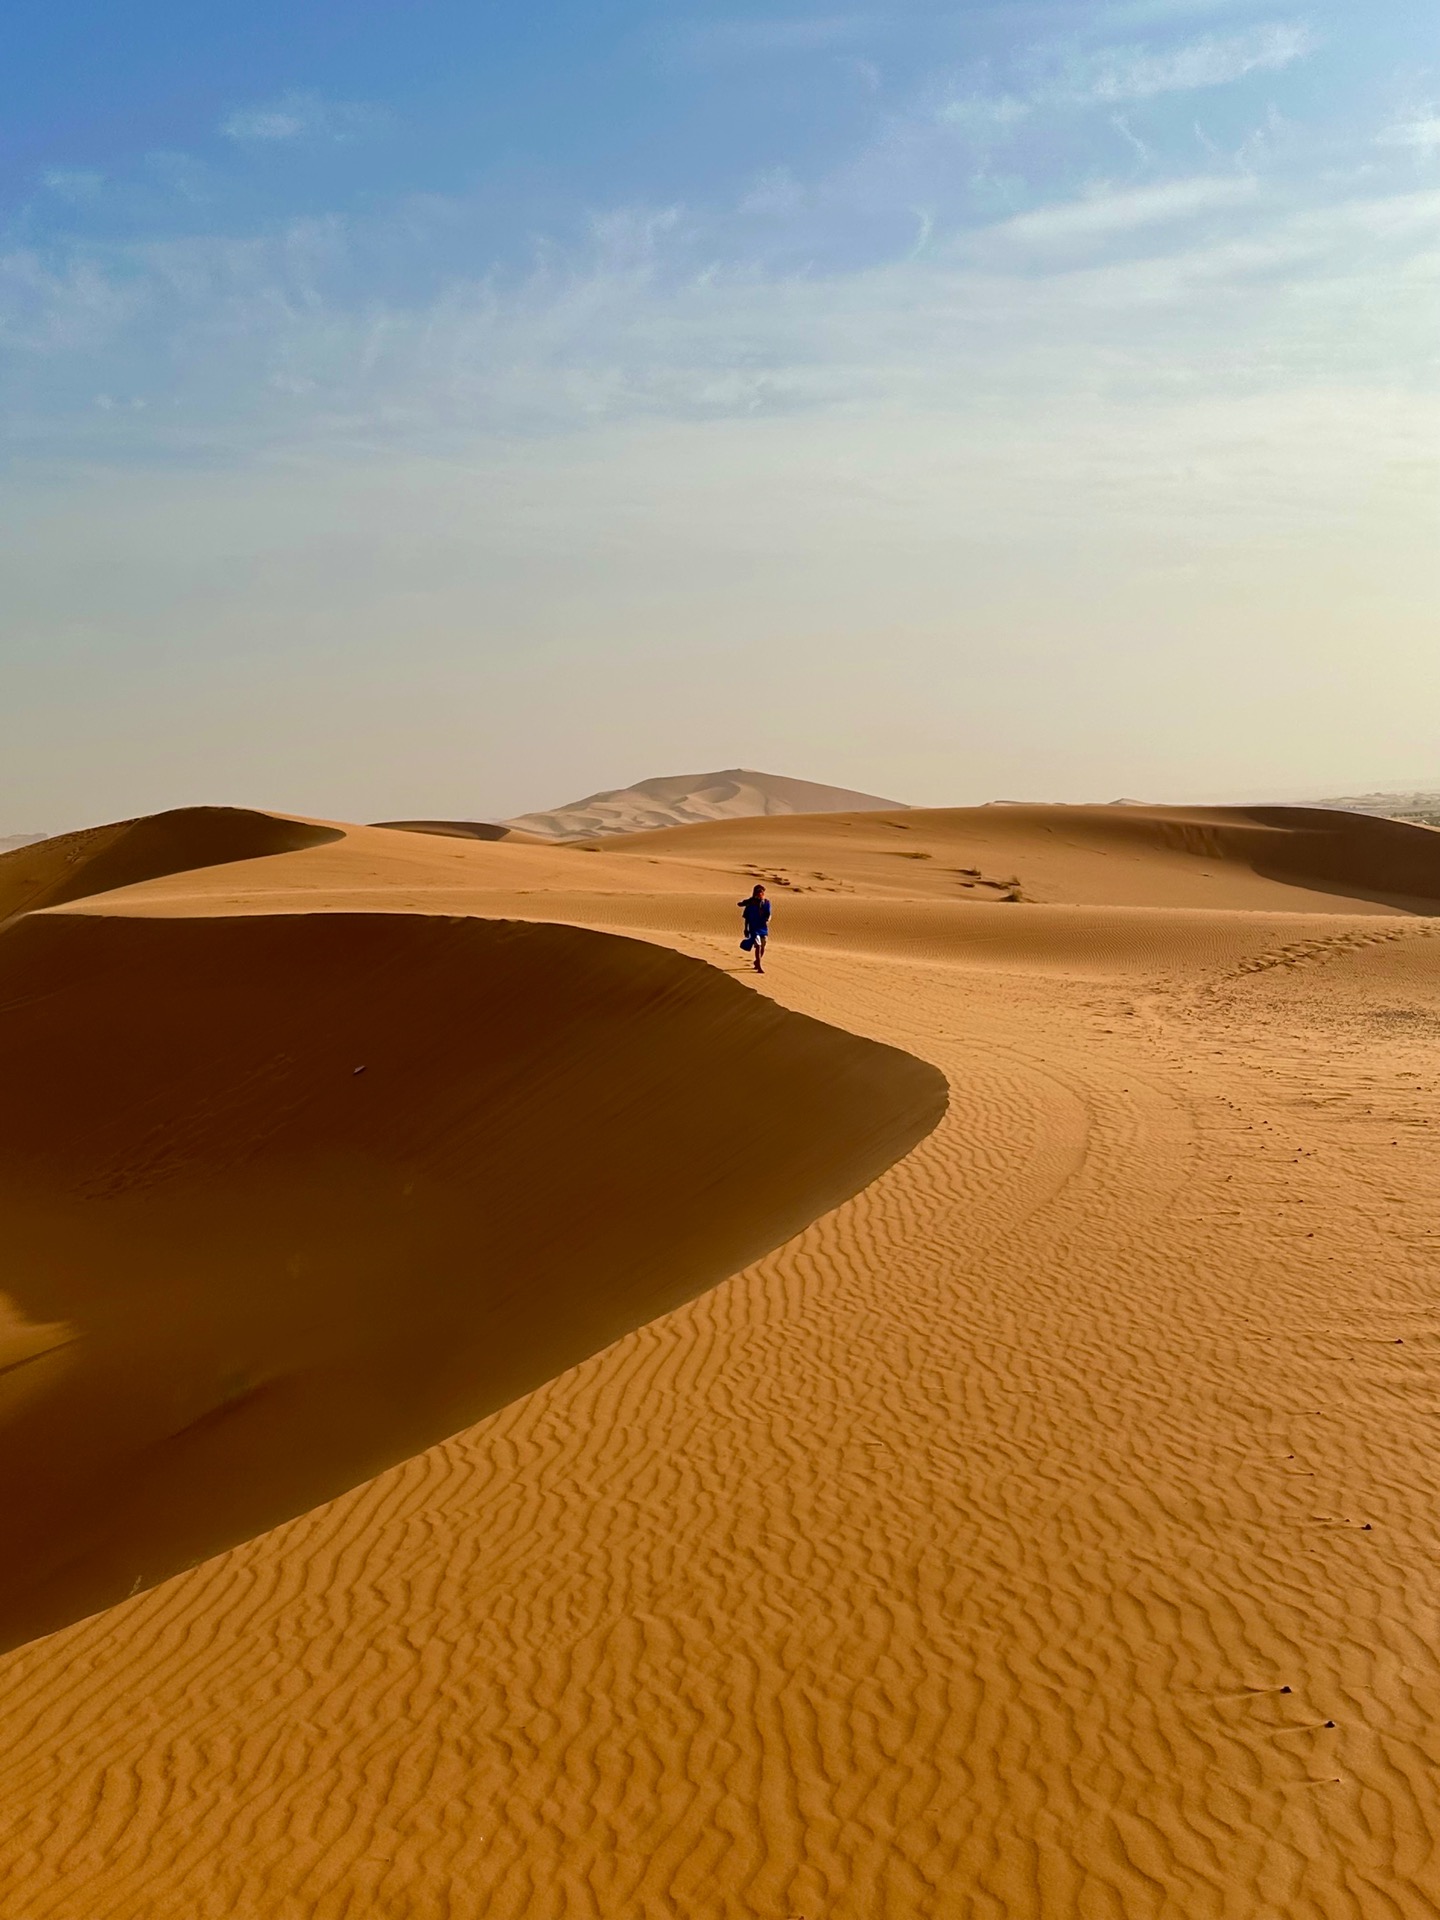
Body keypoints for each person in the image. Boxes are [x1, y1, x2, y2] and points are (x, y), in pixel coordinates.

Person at [738, 883, 771, 973]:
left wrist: (767, 918)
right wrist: (746, 929)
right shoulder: (750, 904)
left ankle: (757, 961)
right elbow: (747, 918)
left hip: (763, 927)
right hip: (753, 928)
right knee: (758, 946)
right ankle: (759, 966)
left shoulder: (766, 902)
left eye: (762, 892)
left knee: (763, 946)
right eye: (758, 892)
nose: (760, 894)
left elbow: (768, 914)